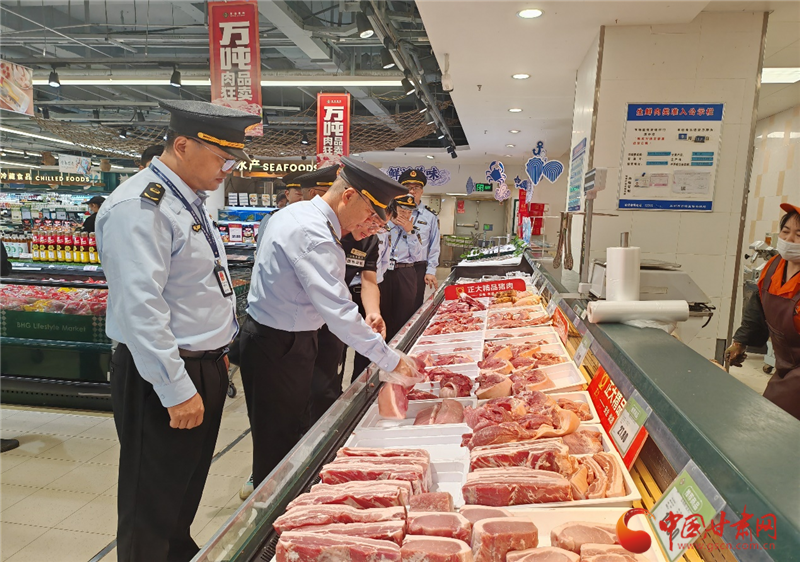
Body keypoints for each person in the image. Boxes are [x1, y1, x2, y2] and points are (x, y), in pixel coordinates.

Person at [96, 99, 260, 562]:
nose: (228, 169)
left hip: (201, 365)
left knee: (182, 489)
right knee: (150, 502)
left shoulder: (186, 200)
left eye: (234, 160)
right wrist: (175, 388)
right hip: (162, 374)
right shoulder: (140, 207)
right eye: (222, 157)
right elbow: (140, 309)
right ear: (183, 145)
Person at [240, 157, 416, 489]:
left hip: (287, 337)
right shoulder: (314, 234)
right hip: (277, 344)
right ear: (348, 196)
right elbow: (338, 311)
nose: (367, 226)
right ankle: (272, 508)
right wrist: (392, 361)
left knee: (292, 430)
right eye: (368, 215)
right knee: (278, 442)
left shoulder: (300, 215)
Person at [726, 202, 800, 420]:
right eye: (785, 231)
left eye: (799, 235)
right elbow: (758, 305)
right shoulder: (775, 265)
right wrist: (741, 341)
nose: (789, 239)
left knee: (775, 418)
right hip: (785, 365)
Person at [380, 189, 424, 340]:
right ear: (393, 208)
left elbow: (418, 257)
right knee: (383, 311)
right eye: (402, 211)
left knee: (404, 313)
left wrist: (409, 233)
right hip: (384, 273)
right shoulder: (382, 227)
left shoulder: (413, 231)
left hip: (405, 273)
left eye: (409, 212)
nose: (406, 215)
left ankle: (400, 346)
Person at [398, 169, 441, 308]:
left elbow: (434, 245)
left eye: (416, 187)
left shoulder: (430, 216)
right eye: (407, 187)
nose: (412, 191)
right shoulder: (391, 213)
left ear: (422, 191)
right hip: (392, 268)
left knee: (413, 307)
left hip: (417, 268)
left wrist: (431, 271)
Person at [255, 171, 303, 254]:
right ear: (287, 194)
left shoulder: (314, 217)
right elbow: (262, 250)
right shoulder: (272, 218)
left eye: (306, 195)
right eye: (298, 194)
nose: (303, 199)